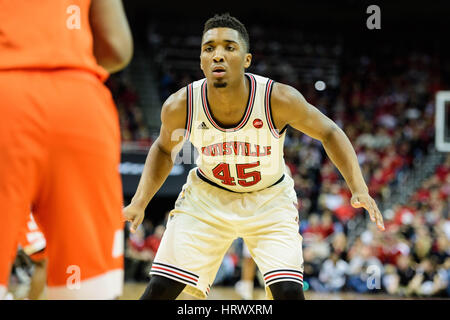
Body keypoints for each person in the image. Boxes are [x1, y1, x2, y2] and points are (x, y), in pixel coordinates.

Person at [124, 13, 384, 300]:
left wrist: (358, 187)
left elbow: (330, 132)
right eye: (209, 48)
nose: (218, 55)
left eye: (229, 47)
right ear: (201, 60)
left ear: (247, 59)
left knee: (288, 293)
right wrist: (139, 201)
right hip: (207, 199)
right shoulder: (180, 105)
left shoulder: (277, 99)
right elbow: (163, 148)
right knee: (159, 291)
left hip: (269, 200)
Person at [0, 0, 133, 299]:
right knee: (83, 287)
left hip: (5, 96)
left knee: (42, 258)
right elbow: (116, 47)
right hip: (78, 102)